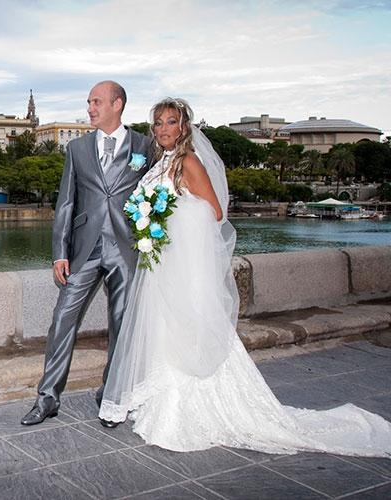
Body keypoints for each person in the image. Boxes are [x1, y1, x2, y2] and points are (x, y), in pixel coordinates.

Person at [99, 97, 391, 457]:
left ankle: (186, 412)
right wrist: (150, 224)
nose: (162, 129)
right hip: (162, 265)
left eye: (170, 122)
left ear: (184, 127)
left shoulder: (188, 161)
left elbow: (214, 212)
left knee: (184, 331)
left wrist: (160, 225)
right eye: (157, 123)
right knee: (163, 330)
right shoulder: (164, 161)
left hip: (179, 267)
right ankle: (162, 404)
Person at [21, 81, 152, 425]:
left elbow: (157, 192)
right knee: (62, 319)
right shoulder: (77, 148)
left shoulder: (145, 145)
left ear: (117, 104)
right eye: (89, 102)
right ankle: (48, 398)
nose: (90, 108)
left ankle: (112, 396)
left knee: (122, 326)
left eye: (96, 102)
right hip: (84, 250)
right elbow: (65, 203)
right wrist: (59, 252)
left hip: (128, 248)